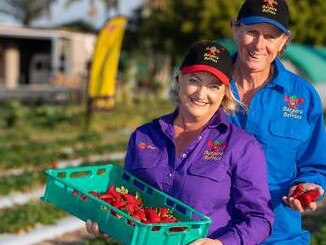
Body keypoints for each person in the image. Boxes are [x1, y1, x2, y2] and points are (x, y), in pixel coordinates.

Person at [87, 40, 274, 244]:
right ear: (179, 79)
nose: (201, 94)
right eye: (194, 80)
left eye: (213, 86)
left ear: (225, 92)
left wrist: (221, 244)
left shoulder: (241, 147)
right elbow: (127, 202)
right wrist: (108, 219)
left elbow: (260, 219)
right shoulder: (144, 136)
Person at [228, 0, 326, 244]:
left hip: (280, 235)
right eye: (252, 32)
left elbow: (316, 164)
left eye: (271, 37)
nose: (259, 45)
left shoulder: (302, 96)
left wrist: (308, 185)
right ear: (235, 30)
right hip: (216, 235)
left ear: (283, 42)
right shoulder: (210, 88)